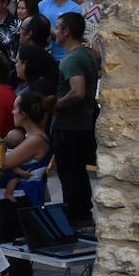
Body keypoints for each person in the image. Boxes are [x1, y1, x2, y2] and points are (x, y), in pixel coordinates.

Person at [0, 91, 54, 276]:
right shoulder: (30, 137)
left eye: (16, 109)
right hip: (16, 197)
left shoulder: (35, 139)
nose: (12, 112)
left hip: (19, 200)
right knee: (12, 250)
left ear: (24, 114)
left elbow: (3, 162)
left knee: (18, 253)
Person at [51, 12, 97, 229]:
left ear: (66, 31)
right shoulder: (86, 54)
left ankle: (76, 219)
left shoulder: (73, 59)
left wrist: (55, 105)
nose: (55, 31)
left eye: (58, 27)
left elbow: (77, 92)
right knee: (77, 174)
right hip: (81, 125)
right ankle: (83, 216)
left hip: (69, 127)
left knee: (70, 176)